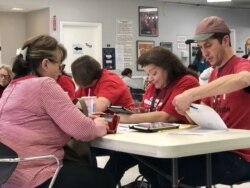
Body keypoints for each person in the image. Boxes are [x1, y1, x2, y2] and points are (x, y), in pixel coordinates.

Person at [140, 16, 250, 188]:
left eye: (208, 45)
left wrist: (191, 94)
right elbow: (203, 111)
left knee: (169, 172)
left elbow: (244, 79)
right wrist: (187, 111)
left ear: (225, 40)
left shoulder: (241, 65)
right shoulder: (214, 73)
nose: (204, 53)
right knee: (150, 165)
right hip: (215, 148)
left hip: (240, 155)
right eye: (200, 47)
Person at [0, 35, 115, 188]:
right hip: (36, 175)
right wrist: (99, 124)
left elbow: (36, 122)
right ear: (46, 64)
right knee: (103, 178)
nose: (60, 71)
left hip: (8, 176)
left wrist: (78, 116)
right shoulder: (44, 84)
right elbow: (83, 130)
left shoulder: (12, 87)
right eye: (59, 65)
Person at [104, 46, 200, 186]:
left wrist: (127, 119)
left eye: (154, 73)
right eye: (148, 74)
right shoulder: (153, 86)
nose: (150, 79)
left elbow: (167, 117)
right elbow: (147, 110)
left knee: (156, 169)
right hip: (150, 141)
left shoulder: (187, 81)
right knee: (117, 159)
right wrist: (137, 112)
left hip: (174, 146)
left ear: (168, 68)